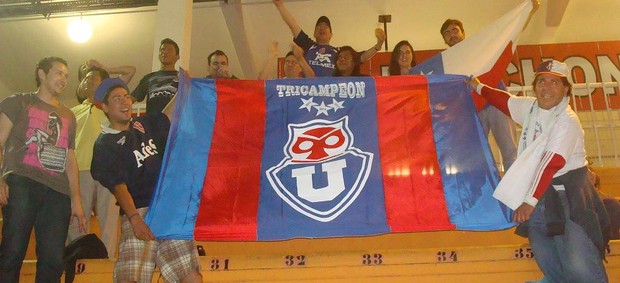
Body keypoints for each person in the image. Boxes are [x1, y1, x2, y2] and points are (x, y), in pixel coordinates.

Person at [467, 60, 610, 283]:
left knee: (580, 268)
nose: (547, 87)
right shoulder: (531, 108)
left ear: (566, 89)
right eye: (542, 81)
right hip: (539, 198)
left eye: (554, 82)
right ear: (535, 86)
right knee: (550, 265)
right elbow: (505, 101)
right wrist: (478, 87)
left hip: (567, 199)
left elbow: (551, 163)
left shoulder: (567, 121)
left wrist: (528, 202)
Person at [91, 77, 202, 282]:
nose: (125, 102)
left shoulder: (142, 124)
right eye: (117, 99)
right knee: (132, 276)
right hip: (139, 210)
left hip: (167, 209)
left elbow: (168, 115)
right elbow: (118, 185)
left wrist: (185, 87)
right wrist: (134, 219)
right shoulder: (105, 143)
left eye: (126, 97)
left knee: (190, 275)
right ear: (104, 107)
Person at [0, 56, 87, 282]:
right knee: (12, 252)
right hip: (22, 183)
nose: (64, 79)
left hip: (57, 193)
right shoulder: (18, 102)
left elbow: (70, 157)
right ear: (41, 74)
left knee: (53, 261)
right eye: (59, 73)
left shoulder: (68, 115)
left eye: (67, 76)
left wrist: (76, 199)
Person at [66, 59, 136, 259]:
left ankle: (107, 260)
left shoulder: (109, 106)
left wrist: (106, 67)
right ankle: (76, 256)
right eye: (85, 80)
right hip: (80, 169)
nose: (87, 82)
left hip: (108, 168)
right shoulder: (72, 112)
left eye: (93, 78)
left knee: (109, 217)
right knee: (78, 216)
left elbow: (130, 70)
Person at [440, 18, 518, 172]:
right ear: (445, 40)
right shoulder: (446, 62)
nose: (452, 35)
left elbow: (508, 33)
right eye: (447, 33)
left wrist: (528, 10)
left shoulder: (482, 47)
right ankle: (488, 191)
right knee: (478, 154)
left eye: (455, 30)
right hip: (473, 109)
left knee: (510, 150)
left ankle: (517, 192)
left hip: (497, 102)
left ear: (463, 32)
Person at [273, 0, 386, 77]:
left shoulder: (339, 52)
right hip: (308, 93)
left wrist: (378, 45)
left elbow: (361, 57)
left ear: (331, 34)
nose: (322, 28)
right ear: (314, 33)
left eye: (325, 27)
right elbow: (293, 25)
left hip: (331, 94)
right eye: (319, 27)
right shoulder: (308, 45)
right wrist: (280, 6)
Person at [131, 38, 180, 115]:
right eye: (162, 50)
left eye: (169, 50)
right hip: (152, 123)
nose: (165, 52)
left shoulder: (181, 78)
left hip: (173, 124)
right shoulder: (149, 78)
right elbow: (131, 99)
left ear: (177, 56)